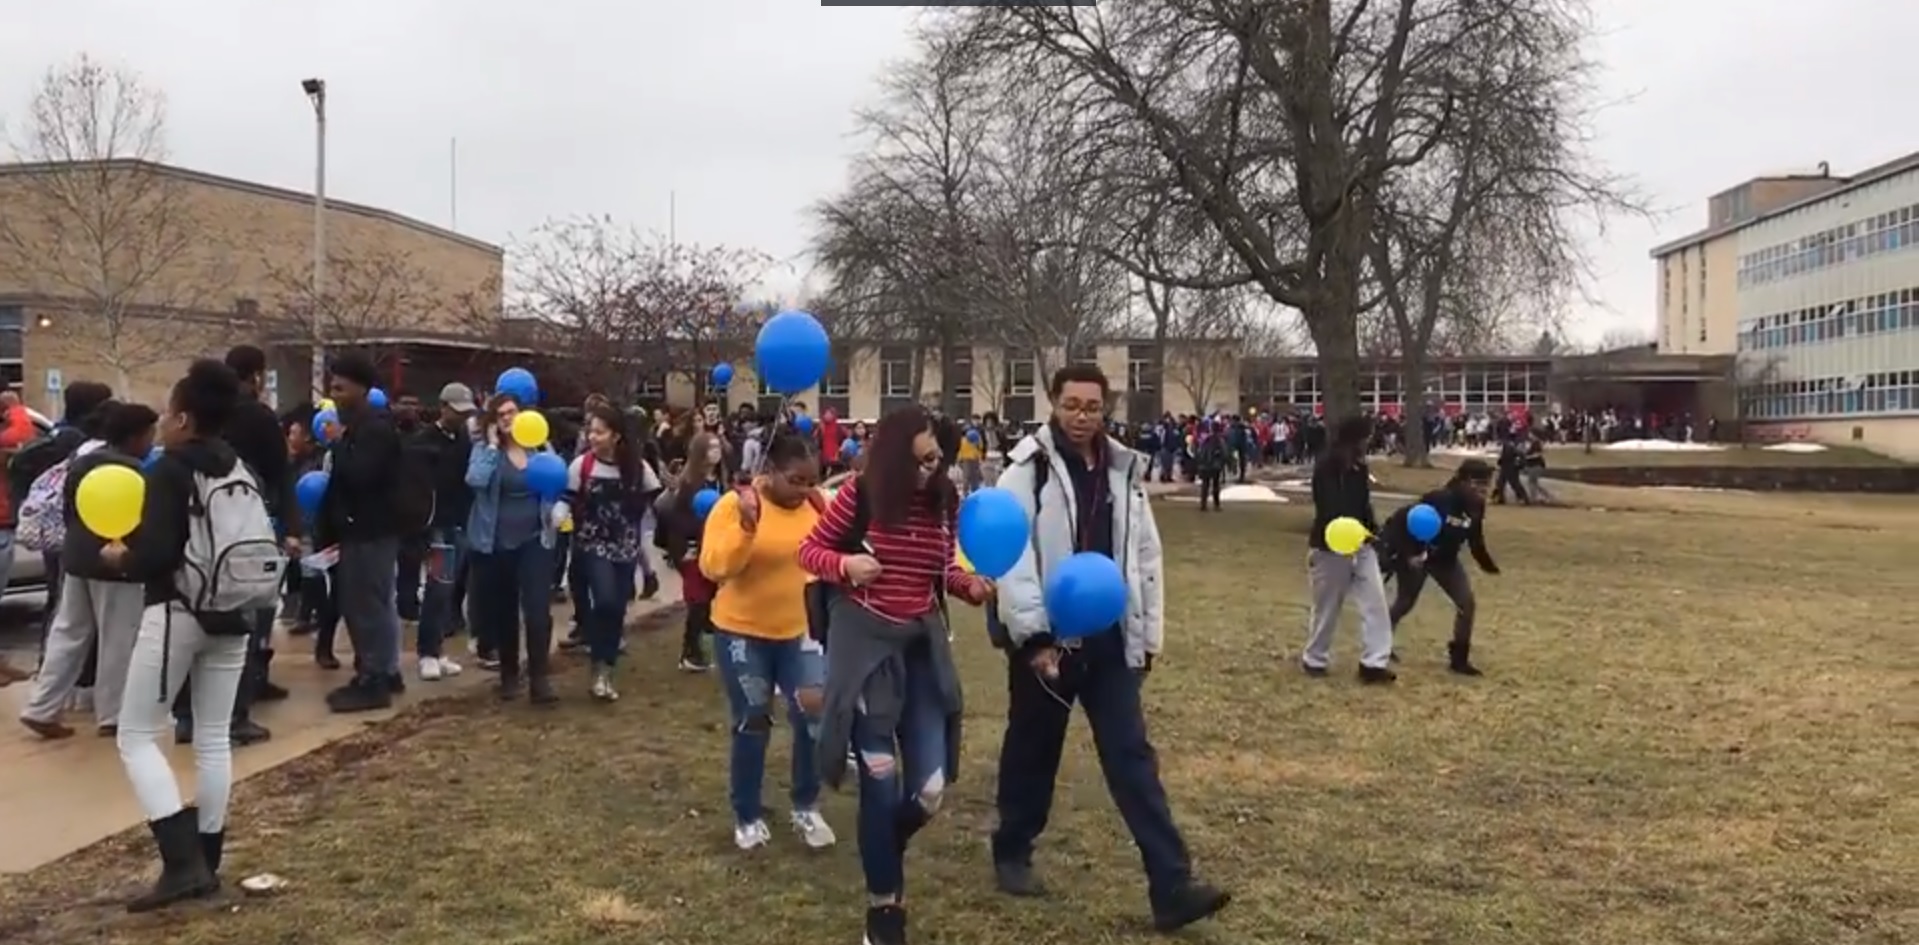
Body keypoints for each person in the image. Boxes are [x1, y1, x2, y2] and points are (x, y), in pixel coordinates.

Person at [988, 365, 1230, 932]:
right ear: (1054, 403)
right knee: (1032, 749)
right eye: (1071, 404)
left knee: (1132, 759)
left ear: (1106, 409)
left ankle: (1171, 885)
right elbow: (1010, 556)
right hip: (1047, 642)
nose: (1081, 416)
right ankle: (1012, 849)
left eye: (1092, 406)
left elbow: (1145, 556)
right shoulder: (1028, 471)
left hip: (1108, 639)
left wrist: (1146, 638)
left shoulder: (1125, 470)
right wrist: (1035, 637)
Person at [799, 405, 992, 945]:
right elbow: (808, 550)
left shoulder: (944, 499)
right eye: (921, 461)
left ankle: (885, 840)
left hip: (921, 647)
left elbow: (944, 568)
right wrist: (846, 566)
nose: (932, 469)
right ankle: (884, 912)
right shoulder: (861, 495)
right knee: (880, 780)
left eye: (936, 458)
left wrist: (969, 586)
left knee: (929, 790)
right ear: (892, 459)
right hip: (864, 651)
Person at [103, 358, 285, 912]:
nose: (159, 421)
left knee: (135, 735)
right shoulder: (238, 467)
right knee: (212, 737)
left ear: (183, 418)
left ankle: (181, 863)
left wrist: (120, 557)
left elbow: (157, 553)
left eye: (165, 412)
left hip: (178, 611)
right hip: (236, 610)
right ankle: (208, 856)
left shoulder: (170, 469)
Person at [698, 432, 836, 849]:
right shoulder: (735, 505)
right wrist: (746, 526)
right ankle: (747, 814)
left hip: (801, 634)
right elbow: (714, 566)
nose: (805, 490)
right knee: (752, 721)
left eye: (812, 480)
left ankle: (806, 807)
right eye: (796, 480)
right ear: (769, 472)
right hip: (743, 633)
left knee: (812, 720)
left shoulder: (818, 507)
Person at [173, 345, 288, 745]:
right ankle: (233, 715)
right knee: (240, 628)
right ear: (254, 376)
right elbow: (279, 471)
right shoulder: (242, 442)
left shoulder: (176, 454)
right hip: (239, 541)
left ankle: (187, 714)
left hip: (190, 551)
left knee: (190, 628)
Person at [18, 401, 152, 739]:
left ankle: (41, 707)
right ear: (135, 436)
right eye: (149, 433)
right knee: (118, 639)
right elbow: (138, 521)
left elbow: (70, 510)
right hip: (116, 565)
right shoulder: (132, 471)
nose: (151, 441)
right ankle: (114, 714)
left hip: (77, 559)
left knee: (67, 633)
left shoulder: (82, 464)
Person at [315, 354, 409, 713]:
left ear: (361, 389)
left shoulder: (374, 430)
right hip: (359, 531)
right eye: (332, 387)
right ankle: (381, 670)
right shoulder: (361, 427)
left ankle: (374, 677)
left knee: (366, 605)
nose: (334, 394)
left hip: (371, 531)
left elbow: (361, 476)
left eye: (341, 387)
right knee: (371, 603)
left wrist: (339, 444)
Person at [553, 403, 659, 701]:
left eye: (600, 432)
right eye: (590, 431)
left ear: (616, 436)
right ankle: (599, 660)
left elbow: (656, 500)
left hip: (625, 546)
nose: (592, 437)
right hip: (591, 544)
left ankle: (604, 668)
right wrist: (560, 512)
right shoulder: (582, 466)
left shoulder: (637, 468)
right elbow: (567, 496)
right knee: (605, 599)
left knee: (616, 607)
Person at [465, 393, 561, 703]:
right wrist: (493, 447)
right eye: (501, 414)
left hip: (536, 539)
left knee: (537, 611)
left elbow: (556, 482)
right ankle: (509, 674)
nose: (508, 418)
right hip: (497, 542)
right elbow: (476, 480)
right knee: (504, 612)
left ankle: (540, 678)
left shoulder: (539, 448)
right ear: (492, 421)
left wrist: (559, 510)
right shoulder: (484, 450)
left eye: (512, 412)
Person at [1379, 459, 1500, 676]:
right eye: (1478, 483)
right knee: (1405, 602)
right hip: (1419, 556)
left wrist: (1487, 563)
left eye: (1487, 483)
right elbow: (1404, 522)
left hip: (1446, 560)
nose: (1483, 489)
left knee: (1467, 604)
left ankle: (1459, 659)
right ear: (1463, 481)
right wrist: (1408, 554)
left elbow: (1475, 537)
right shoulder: (1440, 499)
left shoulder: (1476, 506)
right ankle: (1380, 645)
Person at [1302, 415, 1395, 682]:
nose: (1369, 442)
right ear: (1355, 439)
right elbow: (1329, 507)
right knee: (1327, 606)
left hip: (1361, 546)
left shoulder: (1359, 469)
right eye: (1366, 437)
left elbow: (1363, 505)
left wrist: (1372, 531)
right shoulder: (1326, 467)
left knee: (1376, 603)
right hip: (1329, 547)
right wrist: (1343, 532)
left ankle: (1374, 664)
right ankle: (1315, 658)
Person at [415, 383, 477, 681]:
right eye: (457, 411)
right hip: (436, 525)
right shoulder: (425, 442)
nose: (462, 418)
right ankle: (427, 652)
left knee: (449, 589)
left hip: (459, 522)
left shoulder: (464, 440)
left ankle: (438, 650)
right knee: (437, 587)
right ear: (443, 407)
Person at [656, 431, 728, 672]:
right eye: (711, 448)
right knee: (698, 601)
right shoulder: (687, 484)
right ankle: (690, 653)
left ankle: (704, 648)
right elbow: (676, 520)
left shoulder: (720, 479)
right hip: (692, 551)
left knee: (711, 600)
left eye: (718, 447)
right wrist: (683, 550)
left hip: (715, 547)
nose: (716, 452)